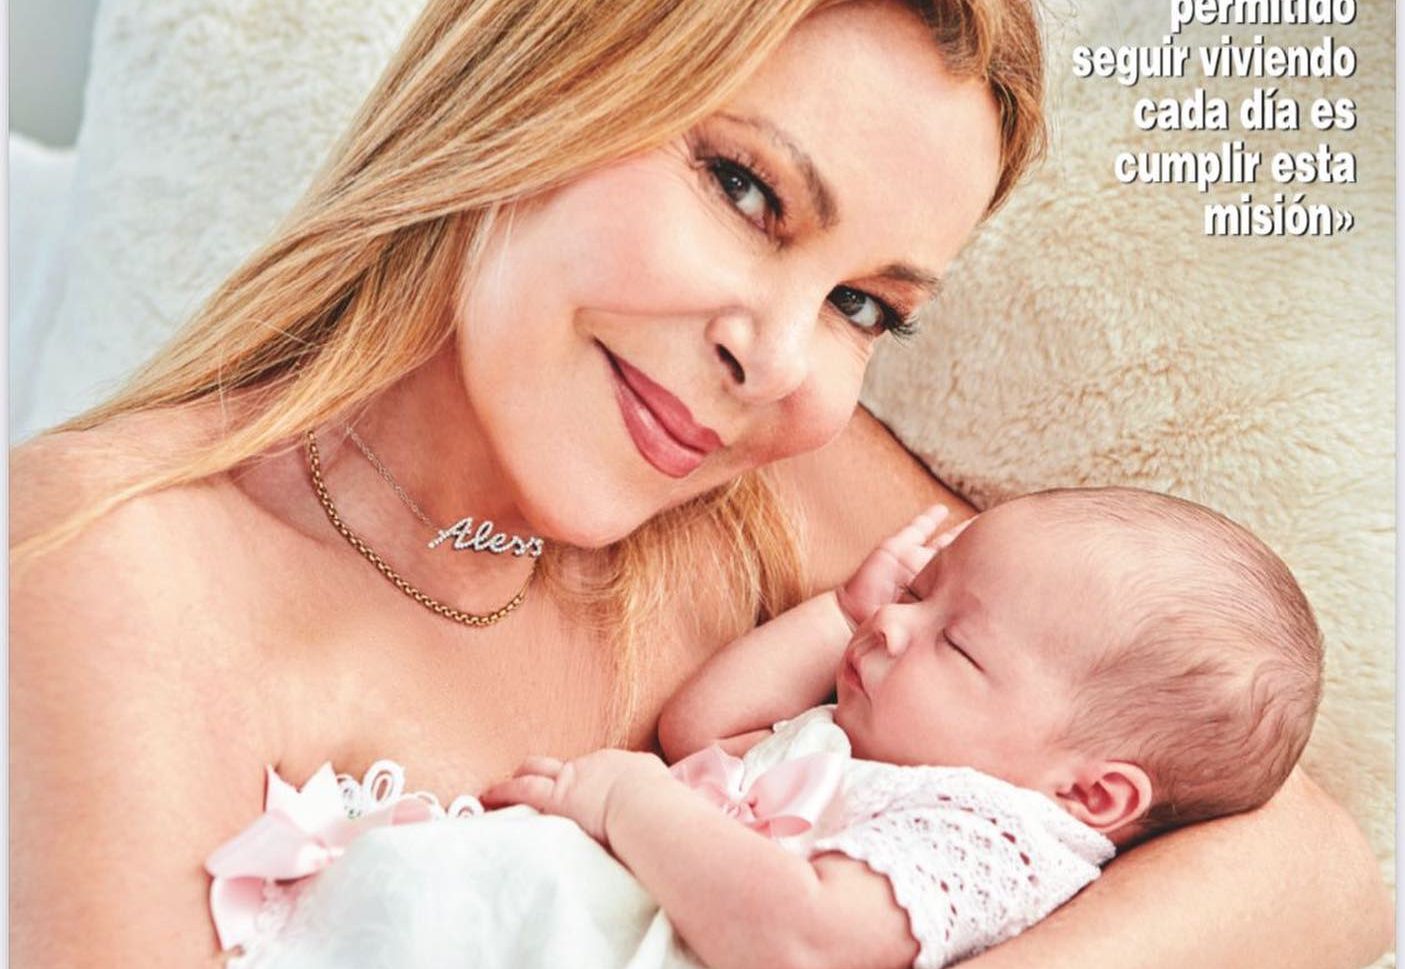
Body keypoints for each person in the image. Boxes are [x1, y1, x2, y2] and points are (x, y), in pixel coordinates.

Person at [8, 1, 1389, 966]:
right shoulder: (110, 564)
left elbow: (1308, 865)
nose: (776, 360)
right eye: (743, 189)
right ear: (539, 79)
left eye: (862, 305)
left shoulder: (780, 498)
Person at [476, 487, 1325, 968]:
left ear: (1091, 792)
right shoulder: (882, 738)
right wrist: (842, 613)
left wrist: (628, 802)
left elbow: (799, 939)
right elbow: (699, 729)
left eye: (955, 642)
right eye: (917, 593)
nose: (893, 623)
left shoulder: (990, 838)